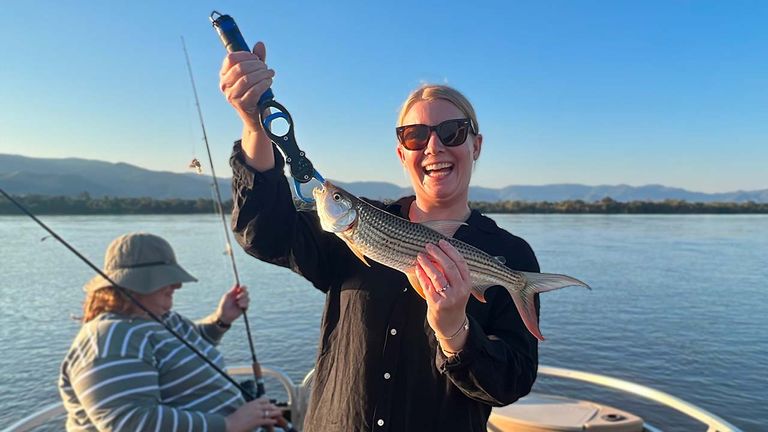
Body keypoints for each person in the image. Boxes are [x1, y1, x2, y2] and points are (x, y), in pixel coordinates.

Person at [220, 42, 540, 432]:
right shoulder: (354, 228)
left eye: (452, 132)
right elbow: (265, 234)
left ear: (477, 145)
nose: (433, 146)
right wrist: (255, 126)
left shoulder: (510, 255)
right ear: (401, 153)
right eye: (414, 136)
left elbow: (512, 382)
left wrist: (456, 331)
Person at [58, 232, 282, 432]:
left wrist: (221, 320)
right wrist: (229, 424)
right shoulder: (108, 338)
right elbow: (130, 422)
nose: (176, 286)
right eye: (165, 279)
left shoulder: (161, 317)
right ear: (131, 284)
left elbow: (188, 348)